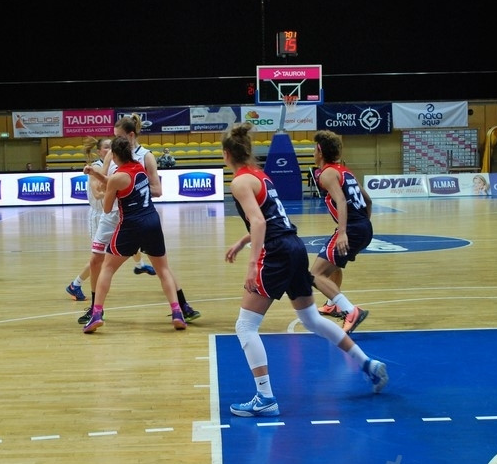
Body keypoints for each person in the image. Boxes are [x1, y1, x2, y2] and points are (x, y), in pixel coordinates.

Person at [222, 122, 388, 417]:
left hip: (275, 253)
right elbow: (272, 219)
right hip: (295, 246)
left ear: (226, 154)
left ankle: (265, 397)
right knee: (310, 318)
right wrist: (242, 240)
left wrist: (251, 263)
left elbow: (261, 223)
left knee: (245, 326)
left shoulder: (239, 182)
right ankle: (368, 364)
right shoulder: (260, 176)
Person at [81, 136, 186, 333]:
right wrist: (97, 174)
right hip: (152, 221)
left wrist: (103, 183)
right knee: (163, 270)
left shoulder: (117, 177)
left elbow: (106, 207)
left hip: (130, 225)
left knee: (108, 268)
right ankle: (177, 312)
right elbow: (118, 183)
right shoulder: (140, 168)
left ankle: (96, 314)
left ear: (115, 156)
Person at [309, 130, 373, 334]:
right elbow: (368, 200)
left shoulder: (327, 173)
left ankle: (350, 310)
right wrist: (363, 224)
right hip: (364, 226)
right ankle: (332, 303)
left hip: (352, 228)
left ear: (320, 150)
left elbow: (341, 201)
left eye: (314, 148)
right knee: (333, 265)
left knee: (314, 275)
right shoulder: (345, 171)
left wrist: (344, 231)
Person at [66, 136, 111, 302]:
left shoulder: (113, 167)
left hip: (111, 215)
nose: (110, 150)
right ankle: (75, 284)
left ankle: (139, 264)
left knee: (112, 254)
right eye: (106, 147)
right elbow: (98, 194)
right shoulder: (95, 168)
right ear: (99, 151)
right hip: (98, 216)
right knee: (98, 258)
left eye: (112, 147)